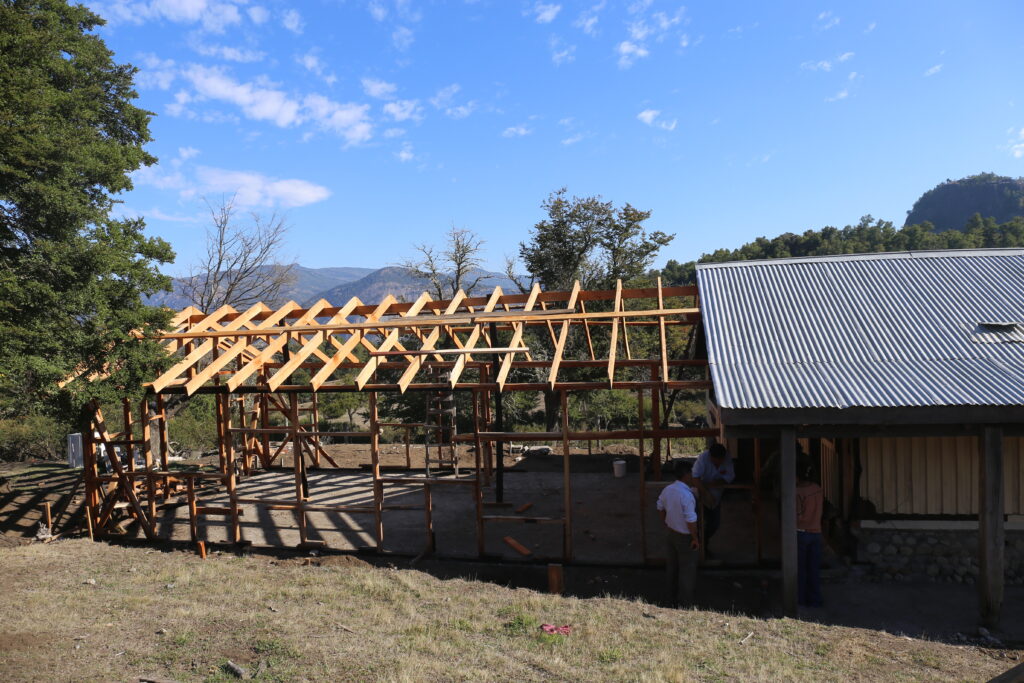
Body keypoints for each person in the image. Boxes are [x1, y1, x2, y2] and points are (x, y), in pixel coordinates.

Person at [656, 460, 700, 607]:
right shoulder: (686, 495)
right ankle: (685, 604)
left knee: (672, 568)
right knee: (687, 570)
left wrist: (666, 523)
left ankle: (670, 599)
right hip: (685, 536)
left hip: (671, 533)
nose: (692, 476)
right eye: (691, 473)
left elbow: (659, 506)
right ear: (686, 475)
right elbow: (691, 520)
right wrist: (695, 538)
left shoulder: (668, 489)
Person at [692, 442, 734, 554]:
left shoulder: (727, 458)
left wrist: (716, 483)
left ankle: (703, 543)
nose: (718, 462)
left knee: (714, 524)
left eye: (721, 460)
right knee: (697, 523)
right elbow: (695, 478)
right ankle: (698, 548)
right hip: (700, 494)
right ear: (710, 456)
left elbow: (729, 476)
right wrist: (706, 494)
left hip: (716, 497)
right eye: (716, 460)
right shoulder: (703, 458)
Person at [796, 463, 824, 607]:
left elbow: (798, 516)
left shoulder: (798, 492)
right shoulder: (818, 489)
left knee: (801, 569)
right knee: (813, 569)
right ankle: (815, 600)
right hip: (816, 532)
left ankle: (800, 599)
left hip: (802, 532)